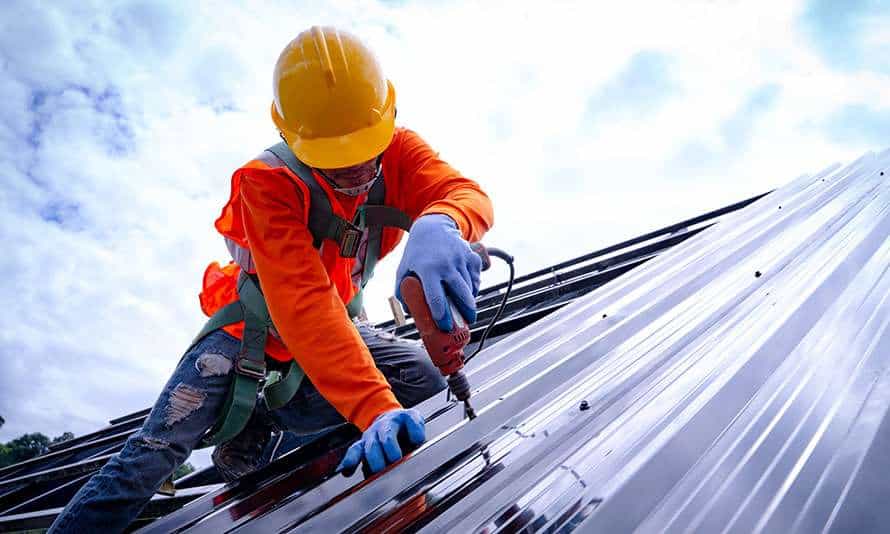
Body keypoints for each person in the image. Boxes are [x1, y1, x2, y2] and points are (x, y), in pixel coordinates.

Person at [48, 26, 493, 533]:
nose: (355, 169)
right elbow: (305, 305)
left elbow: (464, 193)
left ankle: (269, 419)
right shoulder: (268, 183)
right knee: (153, 453)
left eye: (363, 151)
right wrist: (374, 407)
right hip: (253, 331)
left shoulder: (399, 152)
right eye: (335, 161)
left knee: (422, 377)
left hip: (335, 329)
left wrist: (443, 222)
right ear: (292, 138)